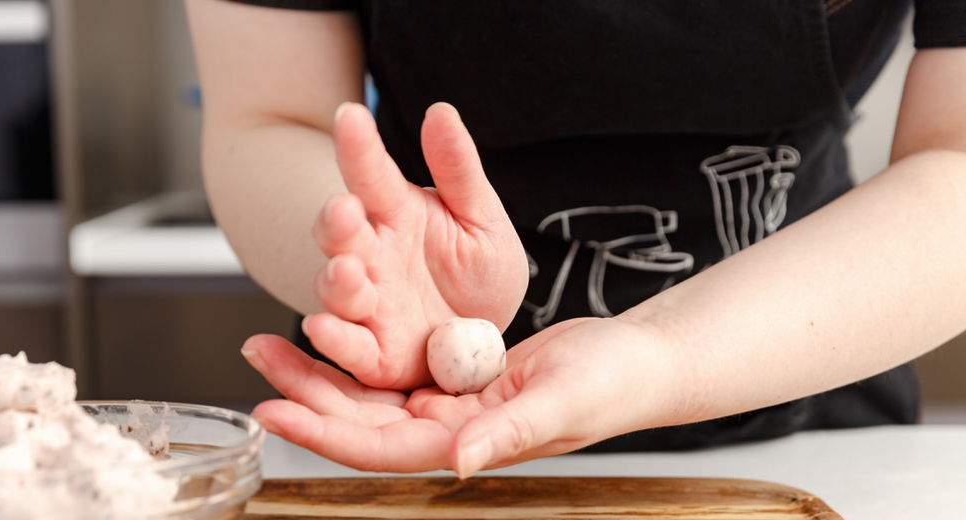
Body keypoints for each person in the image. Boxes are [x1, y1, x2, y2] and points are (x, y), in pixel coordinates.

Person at [184, 0, 966, 475]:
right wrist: (370, 252)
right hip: (406, 435)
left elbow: (954, 162)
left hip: (807, 430)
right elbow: (267, 118)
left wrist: (665, 356)